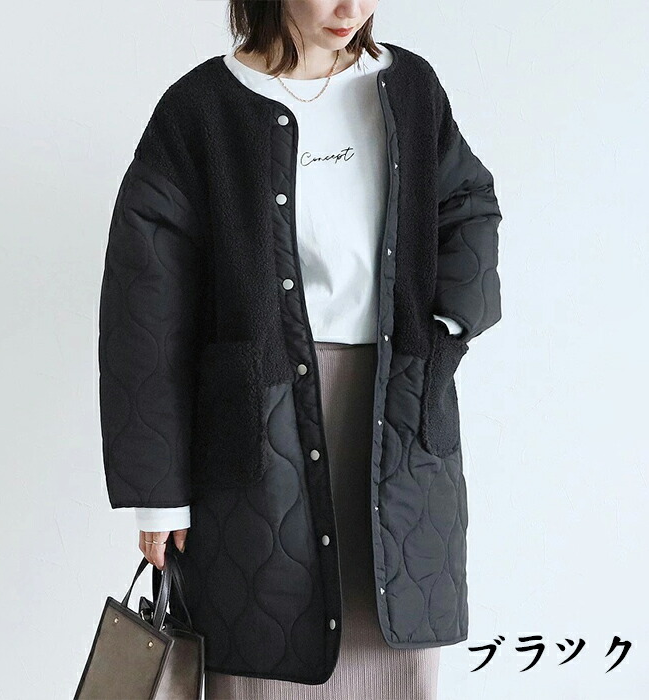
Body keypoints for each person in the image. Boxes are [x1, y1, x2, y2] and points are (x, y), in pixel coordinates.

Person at [98, 1, 502, 698]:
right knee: (264, 648)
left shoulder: (411, 88)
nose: (352, 8)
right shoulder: (201, 109)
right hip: (257, 425)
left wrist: (447, 326)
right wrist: (156, 495)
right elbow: (145, 309)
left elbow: (467, 202)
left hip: (397, 405)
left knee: (393, 646)